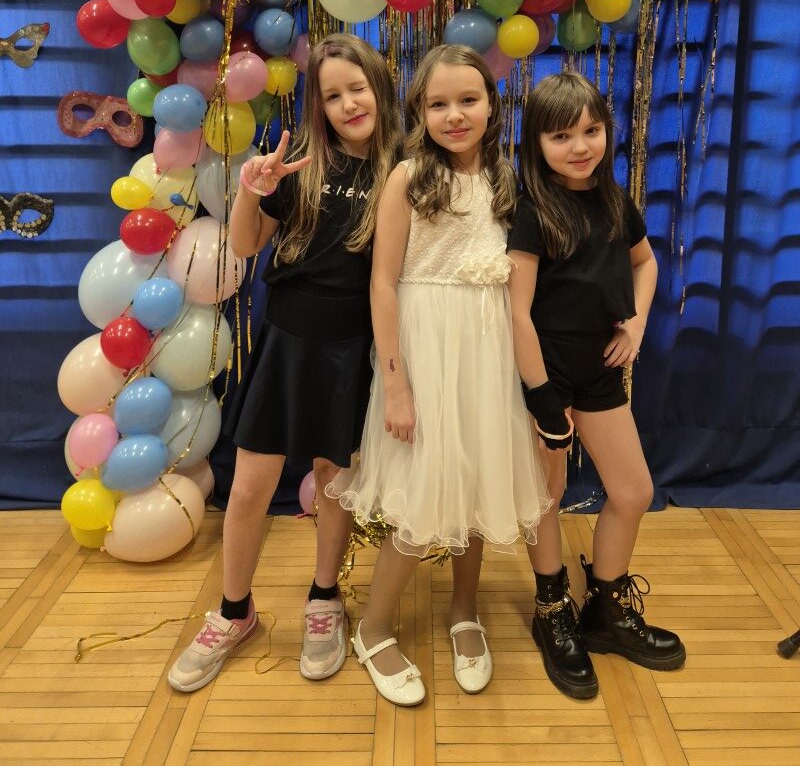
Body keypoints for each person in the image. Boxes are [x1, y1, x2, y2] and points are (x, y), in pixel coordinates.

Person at [168, 35, 402, 693]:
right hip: (286, 340)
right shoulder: (299, 161)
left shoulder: (402, 171)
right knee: (248, 487)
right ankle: (233, 610)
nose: (348, 103)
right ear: (317, 106)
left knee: (333, 480)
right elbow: (245, 245)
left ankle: (325, 597)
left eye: (357, 88)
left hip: (352, 347)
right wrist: (251, 190)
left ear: (379, 89)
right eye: (332, 95)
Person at [329, 44, 551, 706]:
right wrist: (396, 384)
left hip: (486, 351)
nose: (454, 115)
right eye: (438, 104)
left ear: (492, 105)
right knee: (423, 488)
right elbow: (383, 283)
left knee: (474, 480)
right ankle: (373, 626)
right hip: (424, 350)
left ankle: (464, 609)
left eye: (468, 100)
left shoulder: (506, 180)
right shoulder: (407, 179)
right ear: (419, 112)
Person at [507, 70, 685, 701]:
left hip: (601, 371)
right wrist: (541, 398)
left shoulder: (614, 201)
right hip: (548, 374)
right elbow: (516, 311)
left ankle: (605, 610)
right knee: (546, 496)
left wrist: (635, 324)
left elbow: (646, 262)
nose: (580, 146)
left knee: (633, 491)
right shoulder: (531, 212)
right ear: (536, 142)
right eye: (561, 136)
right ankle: (552, 610)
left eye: (591, 131)